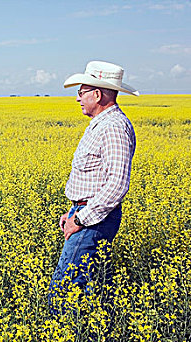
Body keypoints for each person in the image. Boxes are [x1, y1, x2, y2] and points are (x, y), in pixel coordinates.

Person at [49, 61, 139, 313]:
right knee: (86, 290)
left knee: (63, 292)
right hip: (86, 214)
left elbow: (117, 185)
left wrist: (80, 219)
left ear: (97, 95)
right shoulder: (101, 125)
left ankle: (71, 337)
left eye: (81, 92)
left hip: (93, 220)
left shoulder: (113, 128)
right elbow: (94, 179)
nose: (78, 98)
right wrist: (73, 212)